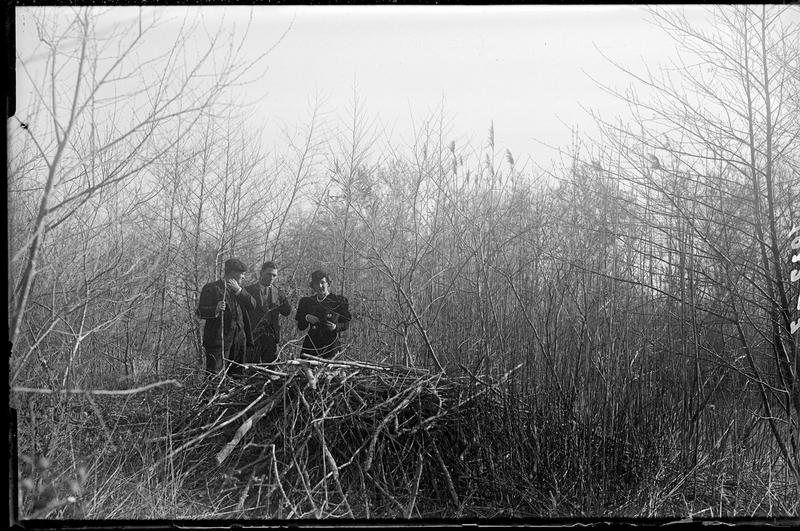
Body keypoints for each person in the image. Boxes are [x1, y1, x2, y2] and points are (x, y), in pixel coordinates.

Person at [196, 258, 254, 375]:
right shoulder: (211, 288)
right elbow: (200, 312)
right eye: (241, 274)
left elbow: (253, 304)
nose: (243, 277)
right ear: (232, 273)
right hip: (218, 343)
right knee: (215, 377)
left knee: (237, 376)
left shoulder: (240, 291)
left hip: (238, 343)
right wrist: (215, 309)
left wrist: (238, 290)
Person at [242, 261, 292, 363]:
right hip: (253, 337)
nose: (271, 278)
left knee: (271, 369)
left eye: (274, 275)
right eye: (268, 274)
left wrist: (283, 299)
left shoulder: (278, 293)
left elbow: (287, 312)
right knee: (250, 369)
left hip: (271, 338)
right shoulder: (248, 291)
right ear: (261, 273)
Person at [296, 269, 352, 359]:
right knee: (305, 370)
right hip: (311, 345)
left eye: (322, 282)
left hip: (330, 346)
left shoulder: (338, 301)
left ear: (328, 283)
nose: (319, 286)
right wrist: (307, 317)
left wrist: (335, 327)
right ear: (313, 286)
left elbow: (346, 324)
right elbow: (301, 326)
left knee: (329, 372)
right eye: (316, 283)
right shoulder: (307, 302)